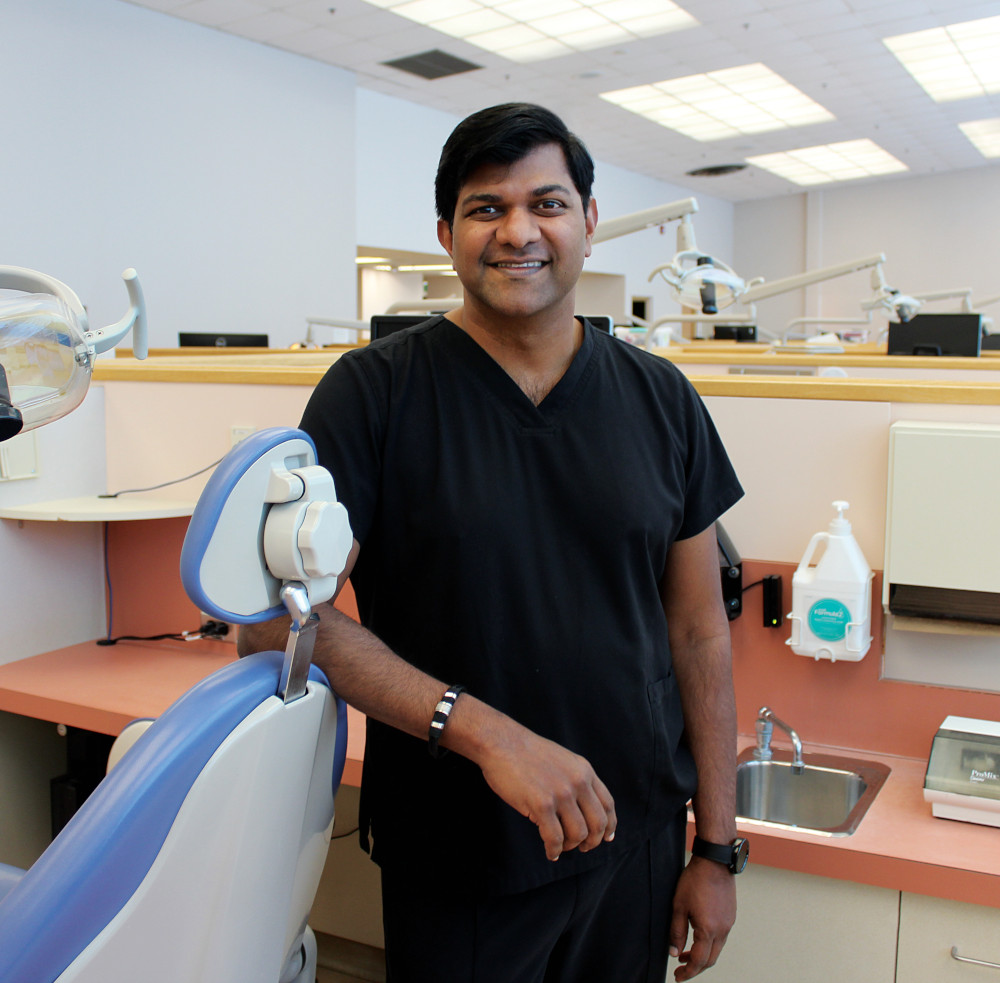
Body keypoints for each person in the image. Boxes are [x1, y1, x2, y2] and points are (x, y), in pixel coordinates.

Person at [241, 102, 744, 983]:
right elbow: (282, 621)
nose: (519, 231)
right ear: (447, 233)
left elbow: (699, 630)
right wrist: (482, 731)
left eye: (546, 203)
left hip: (638, 847)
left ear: (588, 222)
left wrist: (717, 848)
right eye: (486, 208)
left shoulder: (663, 400)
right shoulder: (373, 396)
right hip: (462, 852)